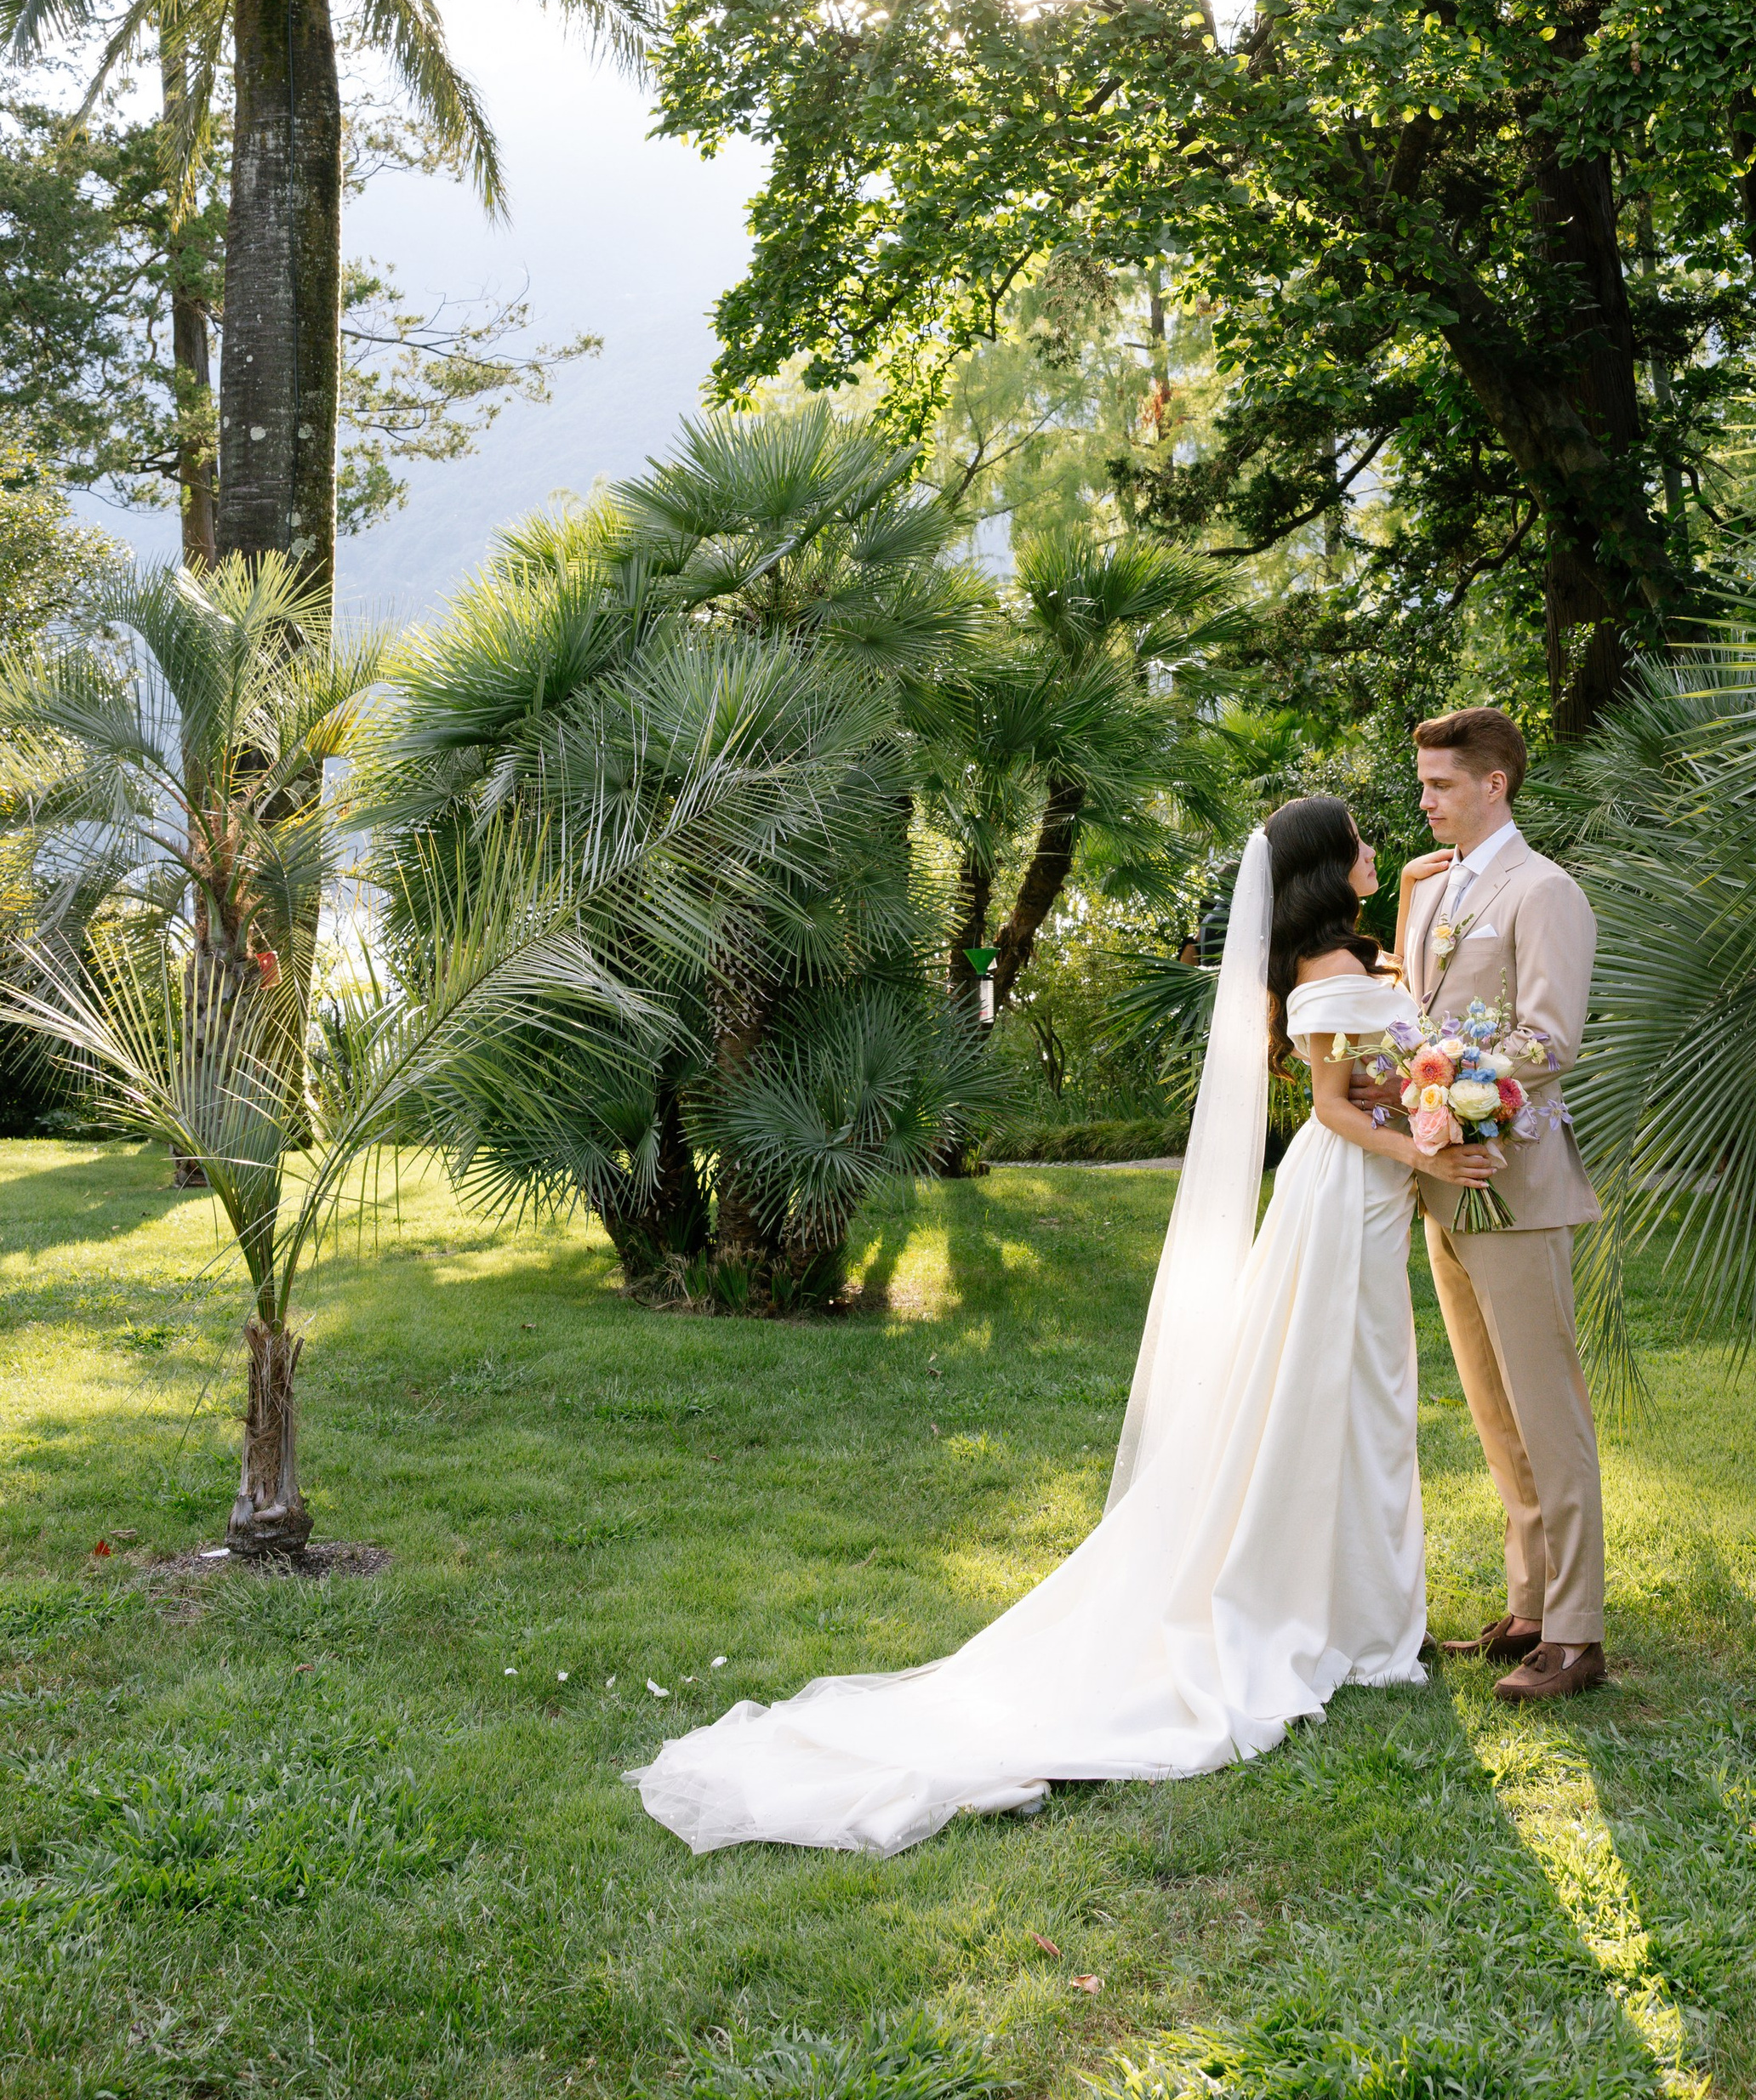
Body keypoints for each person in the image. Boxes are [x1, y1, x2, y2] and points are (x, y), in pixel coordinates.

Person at [629, 796, 1490, 1858]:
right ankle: (1339, 1616)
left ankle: (1358, 1610)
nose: (1377, 852)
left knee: (1357, 1393)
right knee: (1339, 1393)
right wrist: (1435, 1150)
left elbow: (1382, 1056)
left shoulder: (1340, 962)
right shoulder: (1328, 976)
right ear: (1323, 867)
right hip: (1340, 1192)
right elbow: (1333, 1108)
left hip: (1351, 1195)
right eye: (1360, 842)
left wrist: (1412, 960)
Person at [1363, 706, 1607, 1703]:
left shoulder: (1544, 891)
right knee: (1493, 1410)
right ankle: (1529, 1608)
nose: (1423, 801)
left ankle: (1580, 1637)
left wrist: (1437, 1082)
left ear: (1493, 783)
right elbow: (1418, 1012)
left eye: (1440, 785)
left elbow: (1550, 1041)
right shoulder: (1427, 888)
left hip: (1519, 1182)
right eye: (1422, 784)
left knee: (1549, 1413)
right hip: (1442, 1183)